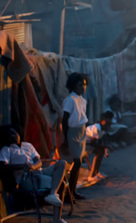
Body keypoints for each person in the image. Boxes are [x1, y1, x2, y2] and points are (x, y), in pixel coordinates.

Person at [0, 126, 67, 223]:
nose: (13, 136)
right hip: (26, 178)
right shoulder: (6, 150)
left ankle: (53, 194)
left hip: (39, 171)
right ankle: (56, 216)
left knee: (62, 163)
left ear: (19, 134)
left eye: (14, 133)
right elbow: (2, 166)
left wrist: (33, 167)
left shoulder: (28, 145)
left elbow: (38, 162)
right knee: (61, 182)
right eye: (9, 134)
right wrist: (22, 166)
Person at [61, 72, 89, 201]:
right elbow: (64, 119)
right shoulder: (70, 100)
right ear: (73, 85)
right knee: (76, 162)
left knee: (79, 163)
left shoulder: (82, 100)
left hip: (81, 131)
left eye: (84, 84)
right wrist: (65, 139)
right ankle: (68, 194)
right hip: (72, 132)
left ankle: (73, 191)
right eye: (80, 84)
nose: (83, 87)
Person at [85, 111, 113, 183]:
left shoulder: (102, 129)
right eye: (108, 122)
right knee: (99, 152)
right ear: (103, 121)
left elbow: (100, 141)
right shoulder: (96, 128)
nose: (109, 124)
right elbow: (93, 144)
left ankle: (96, 173)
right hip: (83, 145)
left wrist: (105, 148)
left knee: (101, 151)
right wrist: (106, 147)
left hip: (88, 144)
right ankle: (92, 176)